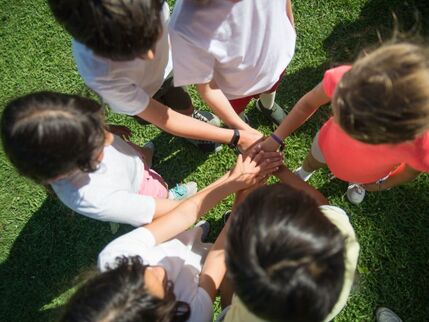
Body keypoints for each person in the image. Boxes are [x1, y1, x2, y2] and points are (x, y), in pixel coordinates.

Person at [58, 148, 283, 322]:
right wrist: (244, 200)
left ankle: (199, 235)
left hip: (181, 239)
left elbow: (182, 215)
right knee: (209, 250)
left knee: (193, 235)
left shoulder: (115, 257)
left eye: (140, 266)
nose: (159, 269)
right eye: (166, 288)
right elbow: (214, 264)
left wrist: (233, 180)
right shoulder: (194, 316)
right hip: (201, 263)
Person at [47, 0, 261, 153]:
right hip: (142, 94)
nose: (150, 54)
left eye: (151, 34)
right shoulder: (100, 75)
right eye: (129, 52)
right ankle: (190, 134)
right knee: (164, 117)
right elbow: (161, 117)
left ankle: (191, 119)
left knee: (184, 105)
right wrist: (234, 137)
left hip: (169, 72)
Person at [1, 92, 207, 226]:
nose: (109, 138)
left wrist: (106, 129)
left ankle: (146, 159)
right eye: (97, 140)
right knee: (160, 195)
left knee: (139, 159)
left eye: (97, 127)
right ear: (68, 165)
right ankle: (172, 200)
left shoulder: (70, 144)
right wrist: (188, 214)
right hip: (141, 191)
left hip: (131, 165)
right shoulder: (93, 198)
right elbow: (155, 213)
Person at [261, 42, 429, 204]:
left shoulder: (421, 143)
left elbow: (409, 172)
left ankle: (356, 182)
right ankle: (305, 171)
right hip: (326, 145)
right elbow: (307, 104)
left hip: (369, 173)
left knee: (359, 176)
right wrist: (276, 138)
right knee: (312, 161)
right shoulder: (348, 81)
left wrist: (384, 184)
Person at [218, 183, 360, 322]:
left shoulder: (239, 318)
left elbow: (228, 298)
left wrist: (237, 211)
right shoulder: (341, 232)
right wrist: (281, 170)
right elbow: (322, 203)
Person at [169, 0, 296, 129]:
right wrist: (243, 130)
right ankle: (241, 123)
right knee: (236, 111)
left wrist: (290, 27)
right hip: (236, 89)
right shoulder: (185, 25)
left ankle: (267, 106)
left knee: (271, 89)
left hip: (275, 64)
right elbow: (207, 88)